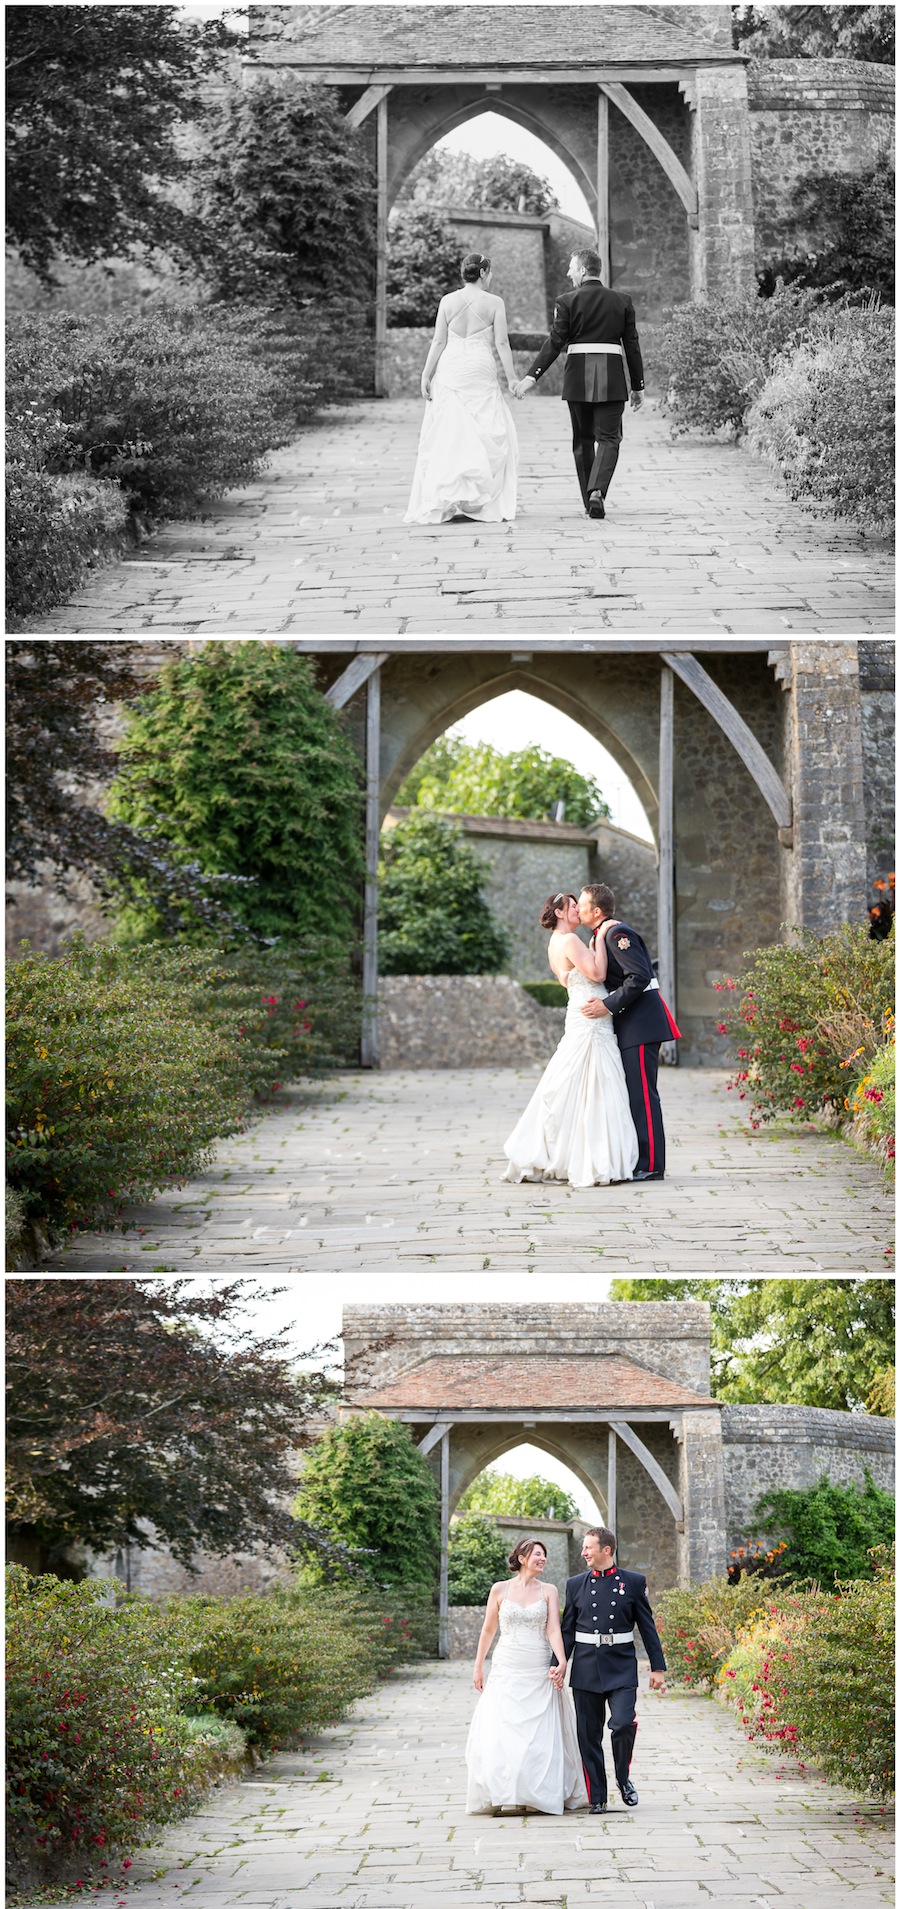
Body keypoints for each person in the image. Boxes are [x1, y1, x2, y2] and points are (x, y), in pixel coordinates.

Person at [503, 891, 639, 1189]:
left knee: (576, 1080)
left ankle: (565, 1151)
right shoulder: (570, 940)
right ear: (561, 912)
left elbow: (571, 980)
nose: (578, 910)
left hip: (582, 1015)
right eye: (573, 906)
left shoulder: (555, 944)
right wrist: (601, 938)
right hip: (591, 1020)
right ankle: (592, 1156)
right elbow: (598, 972)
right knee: (594, 1082)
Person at [514, 248, 644, 519]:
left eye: (572, 268)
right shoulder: (622, 301)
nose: (568, 273)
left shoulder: (566, 301)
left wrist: (531, 376)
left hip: (578, 379)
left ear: (583, 270)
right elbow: (631, 346)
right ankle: (597, 492)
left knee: (583, 440)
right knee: (609, 438)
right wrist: (638, 385)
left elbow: (555, 342)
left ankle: (589, 501)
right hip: (611, 377)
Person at [466, 1537, 587, 1815]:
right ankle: (505, 1790)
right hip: (506, 1665)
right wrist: (478, 1666)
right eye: (537, 1554)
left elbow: (553, 1630)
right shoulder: (499, 1590)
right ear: (522, 1557)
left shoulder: (549, 1591)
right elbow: (488, 1630)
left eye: (545, 1555)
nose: (542, 1559)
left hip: (537, 1666)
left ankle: (538, 1792)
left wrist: (561, 1661)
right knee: (503, 1729)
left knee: (538, 1733)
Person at [555, 1526, 666, 1814]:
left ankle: (623, 1778)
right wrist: (558, 1664)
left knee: (623, 1723)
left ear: (606, 1549)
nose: (583, 1553)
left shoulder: (632, 1582)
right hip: (586, 1670)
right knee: (588, 1735)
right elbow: (567, 1632)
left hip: (621, 1666)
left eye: (588, 1547)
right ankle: (598, 1797)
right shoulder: (575, 1584)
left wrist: (658, 1667)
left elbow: (647, 1626)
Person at [404, 253, 519, 525]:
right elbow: (502, 343)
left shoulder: (447, 301)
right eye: (489, 273)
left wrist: (426, 373)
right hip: (479, 367)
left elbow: (438, 341)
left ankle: (446, 495)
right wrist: (512, 378)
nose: (490, 278)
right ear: (482, 273)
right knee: (485, 424)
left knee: (448, 429)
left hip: (451, 368)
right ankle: (479, 499)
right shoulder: (494, 303)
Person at [577, 883, 680, 1182]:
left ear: (596, 911)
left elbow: (639, 976)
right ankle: (642, 1160)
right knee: (635, 1095)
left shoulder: (616, 933)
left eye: (582, 904)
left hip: (641, 1024)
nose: (579, 908)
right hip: (631, 1024)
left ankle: (652, 1166)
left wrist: (607, 1005)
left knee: (643, 1096)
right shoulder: (601, 933)